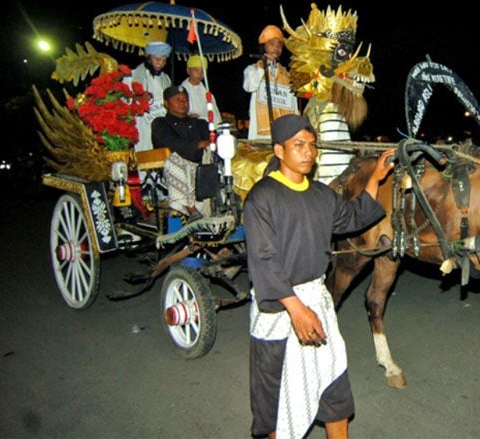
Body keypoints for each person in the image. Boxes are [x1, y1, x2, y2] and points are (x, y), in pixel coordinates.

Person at [244, 114, 396, 438]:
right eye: (298, 145)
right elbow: (263, 260)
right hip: (279, 311)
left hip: (316, 301)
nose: (308, 152)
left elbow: (354, 216)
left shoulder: (321, 195)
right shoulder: (262, 198)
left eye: (312, 145)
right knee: (278, 401)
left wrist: (375, 179)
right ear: (279, 151)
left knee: (334, 388)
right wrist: (295, 308)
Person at [151, 85, 210, 220]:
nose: (183, 102)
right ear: (166, 103)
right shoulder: (160, 123)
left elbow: (213, 138)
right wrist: (198, 144)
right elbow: (171, 143)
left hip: (201, 167)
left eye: (185, 99)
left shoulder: (199, 123)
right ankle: (191, 210)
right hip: (176, 167)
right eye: (178, 99)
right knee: (172, 159)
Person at [242, 25, 299, 140]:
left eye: (279, 45)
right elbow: (249, 86)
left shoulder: (287, 75)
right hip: (262, 135)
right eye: (272, 44)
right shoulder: (252, 69)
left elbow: (293, 105)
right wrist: (261, 69)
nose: (276, 48)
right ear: (264, 46)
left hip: (285, 133)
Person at [127, 40, 173, 153]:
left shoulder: (166, 78)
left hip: (162, 125)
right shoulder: (132, 76)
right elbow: (123, 99)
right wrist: (136, 98)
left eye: (164, 61)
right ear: (148, 56)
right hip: (143, 125)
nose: (160, 64)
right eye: (157, 59)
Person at [181, 54, 221, 124]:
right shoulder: (181, 91)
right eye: (196, 70)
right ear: (188, 71)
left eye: (203, 71)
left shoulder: (207, 92)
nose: (200, 74)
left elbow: (216, 115)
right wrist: (187, 117)